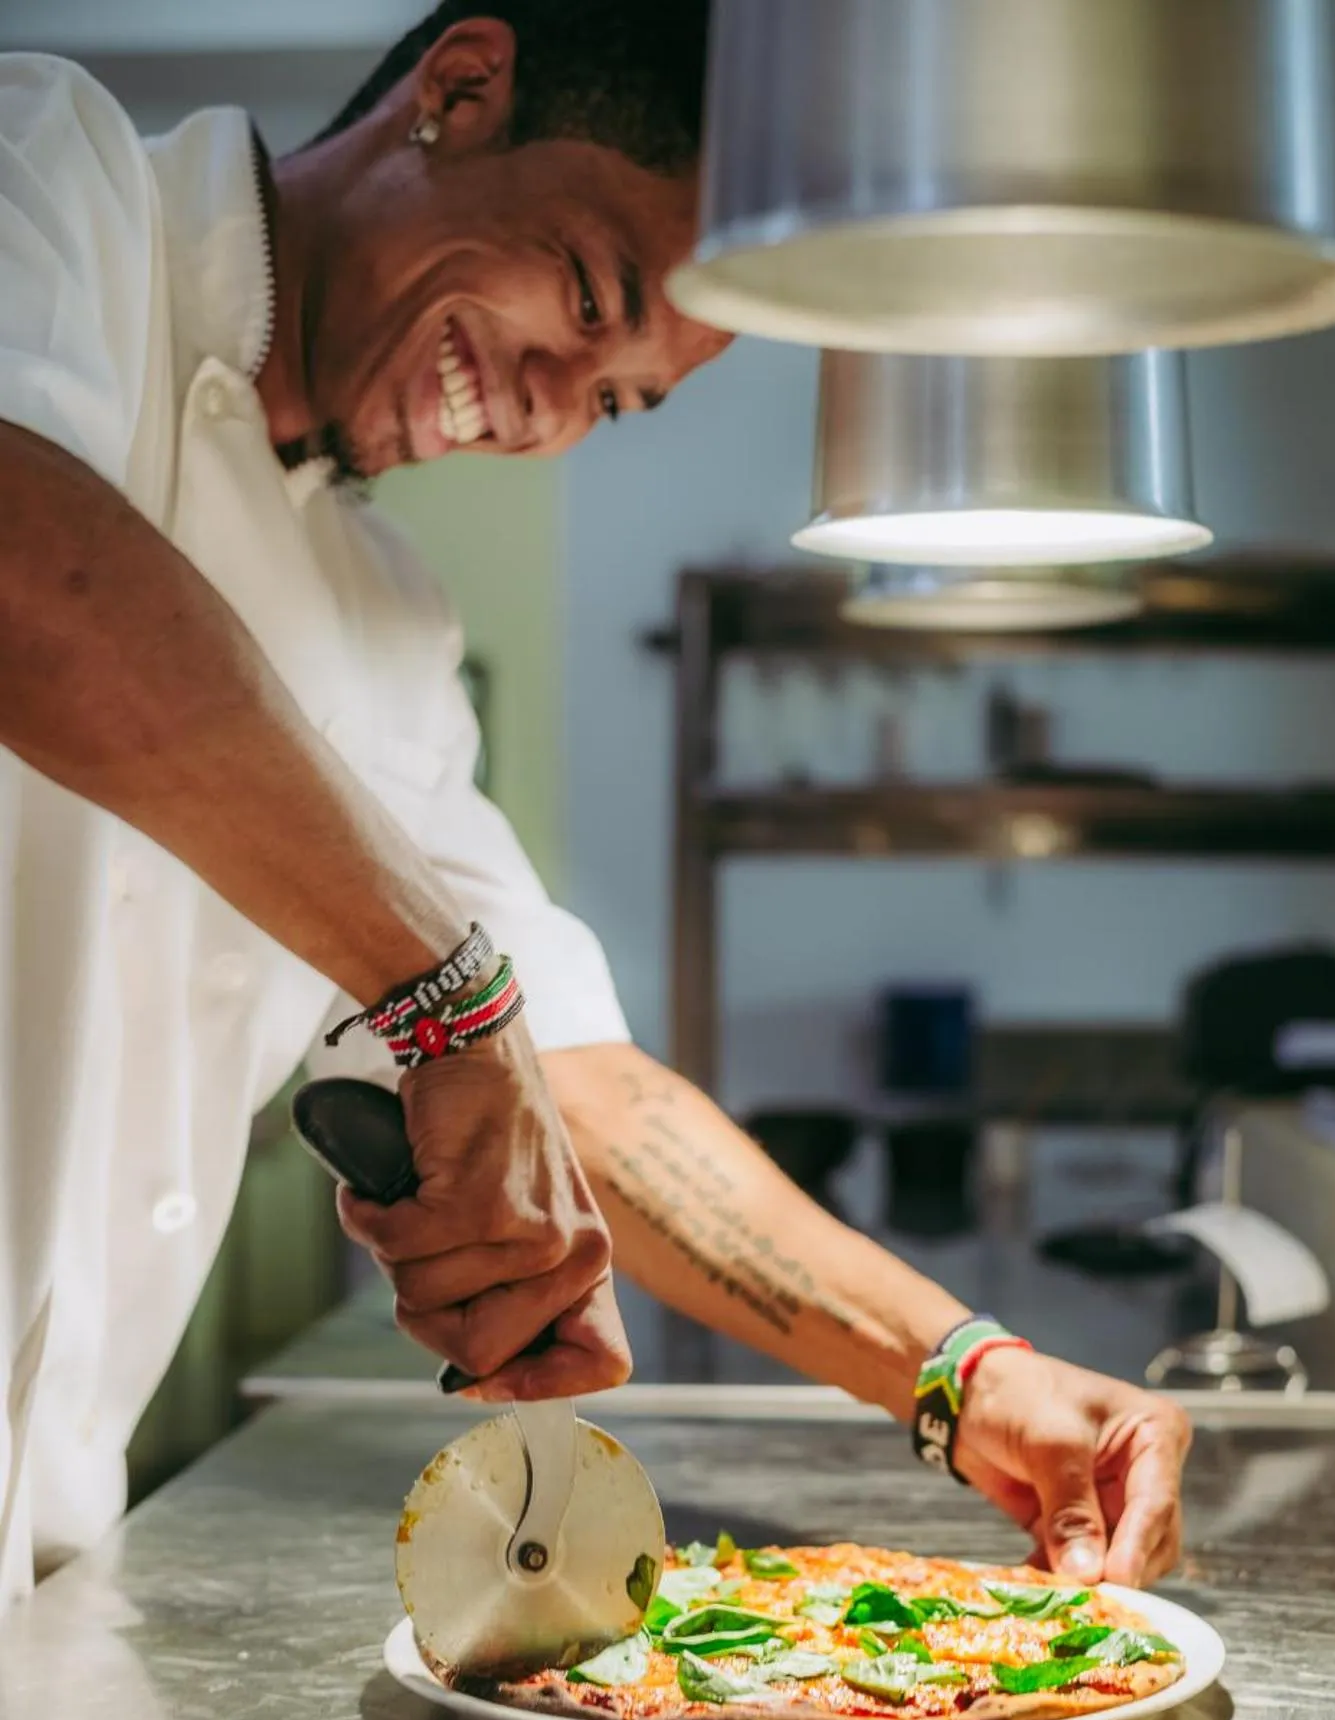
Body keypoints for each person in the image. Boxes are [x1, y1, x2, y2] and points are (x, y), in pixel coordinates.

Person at [0, 2, 1188, 1606]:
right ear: (462, 88)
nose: (551, 412)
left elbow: (574, 1082)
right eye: (586, 296)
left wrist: (964, 1369)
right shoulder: (52, 167)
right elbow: (27, 562)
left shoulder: (383, 618)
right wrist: (447, 996)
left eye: (617, 401)